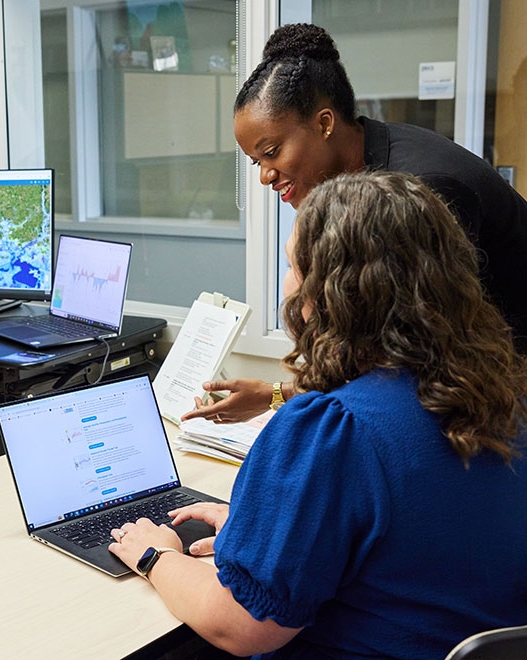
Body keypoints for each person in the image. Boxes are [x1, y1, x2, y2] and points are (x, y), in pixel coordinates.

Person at [109, 171, 527, 659]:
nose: (286, 284)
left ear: (335, 290)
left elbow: (241, 626)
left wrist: (154, 556)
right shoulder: (501, 399)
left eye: (292, 266)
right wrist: (260, 532)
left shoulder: (337, 430)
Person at [185, 22, 527, 425]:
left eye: (272, 152)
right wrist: (275, 393)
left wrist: (288, 397)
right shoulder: (364, 180)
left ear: (325, 123)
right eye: (257, 162)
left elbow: (412, 362)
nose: (265, 176)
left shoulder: (420, 191)